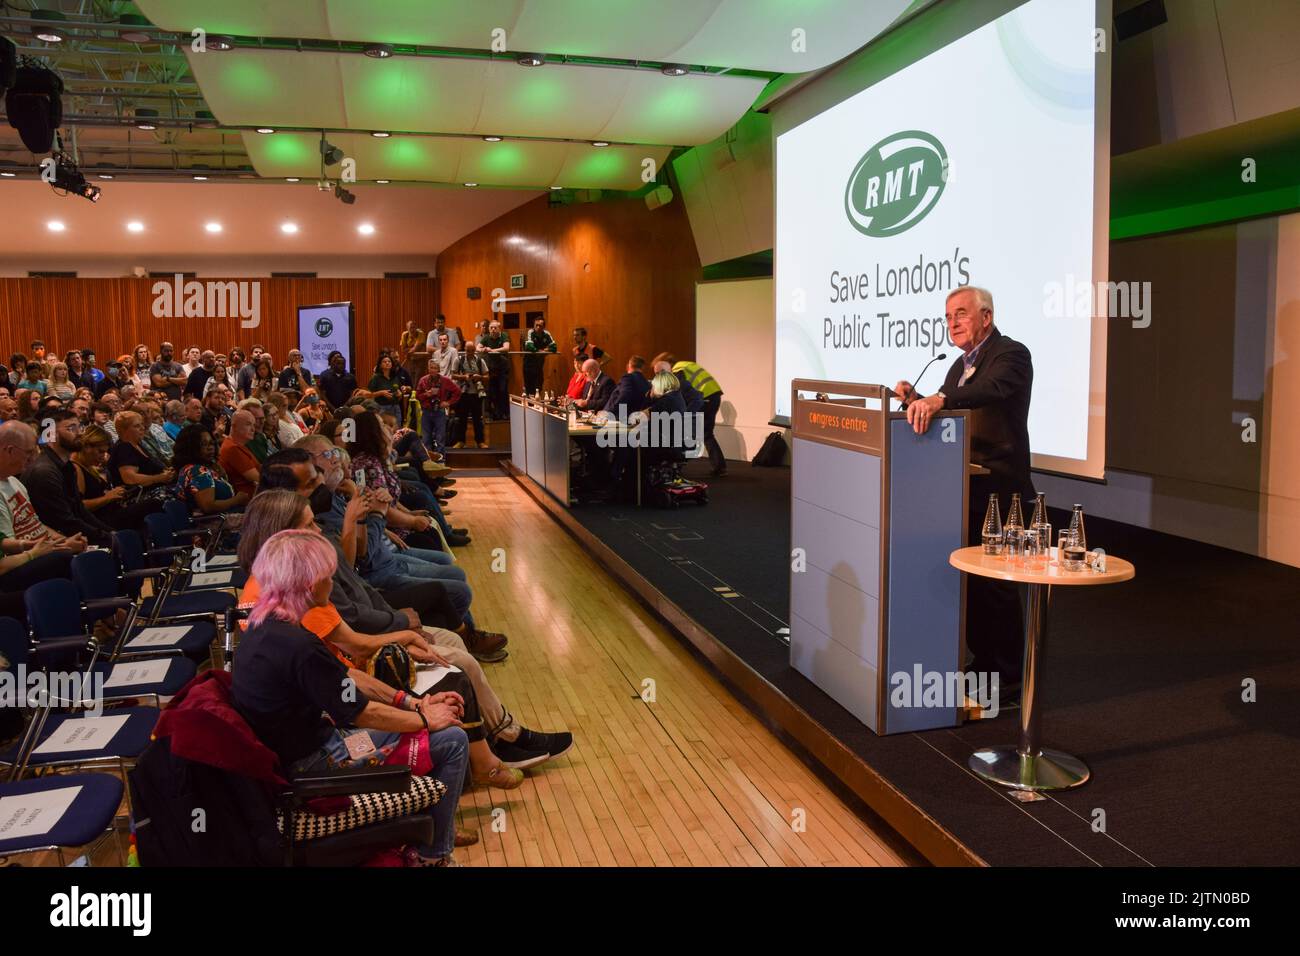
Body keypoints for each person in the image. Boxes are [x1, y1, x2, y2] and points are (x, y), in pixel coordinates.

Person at [231, 527, 471, 865]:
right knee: (452, 740)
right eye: (330, 577)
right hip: (316, 766)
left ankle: (413, 835)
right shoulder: (298, 645)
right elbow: (359, 714)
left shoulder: (265, 625)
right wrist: (424, 719)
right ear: (312, 585)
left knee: (431, 728)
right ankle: (433, 856)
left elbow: (348, 677)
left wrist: (413, 702)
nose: (334, 584)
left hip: (306, 749)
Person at [894, 285, 1034, 692]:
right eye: (948, 316)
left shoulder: (1011, 354)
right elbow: (954, 408)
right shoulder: (957, 366)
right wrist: (915, 399)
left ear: (986, 317)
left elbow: (987, 392)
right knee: (971, 580)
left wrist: (938, 398)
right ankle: (982, 660)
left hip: (1002, 489)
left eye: (961, 314)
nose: (952, 322)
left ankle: (1009, 675)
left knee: (999, 585)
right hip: (964, 486)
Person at [21, 409, 115, 545]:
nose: (80, 433)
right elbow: (64, 521)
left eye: (80, 427)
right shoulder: (44, 472)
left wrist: (110, 532)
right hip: (56, 543)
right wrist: (107, 537)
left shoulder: (67, 466)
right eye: (71, 428)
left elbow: (79, 510)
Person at [658, 354, 726, 477]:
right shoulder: (687, 364)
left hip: (704, 398)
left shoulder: (677, 370)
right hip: (714, 396)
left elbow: (679, 389)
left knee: (687, 432)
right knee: (706, 433)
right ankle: (719, 466)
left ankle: (677, 464)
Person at [172, 425, 249, 516]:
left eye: (211, 443)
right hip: (212, 523)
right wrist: (237, 500)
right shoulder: (196, 470)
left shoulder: (198, 468)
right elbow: (208, 506)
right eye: (204, 444)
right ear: (191, 447)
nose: (210, 447)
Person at [109, 410, 175, 490]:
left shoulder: (137, 444)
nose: (142, 428)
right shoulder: (123, 448)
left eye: (142, 425)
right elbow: (130, 479)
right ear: (123, 430)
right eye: (137, 426)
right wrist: (159, 478)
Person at [415, 362, 461, 455]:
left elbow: (457, 392)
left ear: (438, 370)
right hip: (426, 411)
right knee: (426, 437)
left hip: (439, 411)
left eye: (435, 368)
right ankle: (428, 458)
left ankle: (441, 458)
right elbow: (417, 395)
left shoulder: (445, 380)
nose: (433, 370)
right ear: (428, 369)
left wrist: (448, 402)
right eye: (431, 368)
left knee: (440, 437)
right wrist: (426, 394)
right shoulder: (423, 380)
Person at [450, 342, 488, 449]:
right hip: (463, 393)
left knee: (477, 419)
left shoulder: (480, 361)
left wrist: (479, 377)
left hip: (476, 394)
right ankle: (460, 441)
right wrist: (464, 377)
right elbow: (453, 375)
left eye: (472, 350)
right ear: (465, 350)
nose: (470, 353)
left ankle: (480, 441)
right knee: (461, 419)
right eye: (468, 350)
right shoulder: (459, 360)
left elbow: (487, 376)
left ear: (475, 350)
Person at [219, 409, 261, 496]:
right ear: (234, 426)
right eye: (248, 424)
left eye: (254, 425)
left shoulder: (240, 445)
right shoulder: (232, 448)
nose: (253, 429)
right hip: (246, 501)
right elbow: (258, 478)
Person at [478, 319, 512, 420]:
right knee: (492, 392)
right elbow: (477, 347)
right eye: (491, 328)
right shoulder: (486, 337)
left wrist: (492, 350)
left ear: (499, 329)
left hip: (502, 369)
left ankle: (506, 414)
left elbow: (506, 348)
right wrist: (484, 349)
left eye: (495, 328)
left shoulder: (504, 335)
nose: (493, 330)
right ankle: (496, 414)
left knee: (503, 390)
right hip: (491, 369)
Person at [521, 315, 557, 396]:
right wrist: (539, 351)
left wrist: (545, 350)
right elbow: (529, 346)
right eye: (536, 325)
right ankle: (528, 404)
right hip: (528, 364)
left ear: (543, 327)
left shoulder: (547, 334)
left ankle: (536, 404)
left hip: (539, 365)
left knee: (539, 385)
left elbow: (554, 347)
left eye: (540, 325)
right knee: (529, 386)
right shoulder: (530, 332)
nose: (537, 327)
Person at [367, 353, 404, 421]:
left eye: (389, 361)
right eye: (384, 362)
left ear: (392, 364)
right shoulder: (376, 378)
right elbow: (368, 395)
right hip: (382, 408)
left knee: (397, 429)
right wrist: (381, 393)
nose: (387, 363)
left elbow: (399, 392)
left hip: (396, 407)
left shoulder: (395, 377)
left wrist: (400, 394)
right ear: (380, 365)